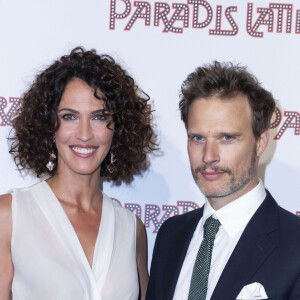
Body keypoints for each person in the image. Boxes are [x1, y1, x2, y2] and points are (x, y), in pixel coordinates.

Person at [0, 47, 156, 300]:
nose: (84, 134)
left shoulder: (131, 229)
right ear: (48, 125)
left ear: (118, 128)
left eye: (99, 117)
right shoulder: (9, 216)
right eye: (69, 116)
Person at [146, 62, 300, 300]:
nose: (208, 156)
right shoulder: (171, 235)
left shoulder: (294, 245)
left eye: (226, 137)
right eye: (197, 138)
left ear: (260, 142)